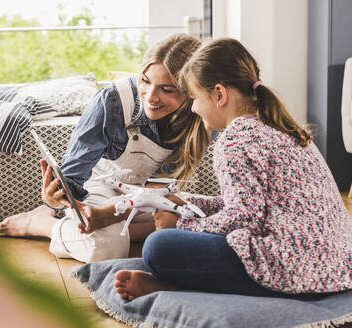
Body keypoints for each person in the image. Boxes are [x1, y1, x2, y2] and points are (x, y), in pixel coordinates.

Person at [114, 38, 352, 300]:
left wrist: (182, 224)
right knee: (185, 233)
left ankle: (179, 286)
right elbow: (249, 204)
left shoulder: (234, 142)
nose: (193, 107)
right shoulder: (281, 127)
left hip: (296, 271)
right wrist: (190, 204)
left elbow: (245, 218)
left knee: (157, 248)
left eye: (194, 98)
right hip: (337, 266)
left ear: (219, 94)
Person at [0, 33, 209, 263]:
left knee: (207, 223)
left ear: (190, 90)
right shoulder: (113, 99)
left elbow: (159, 191)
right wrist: (57, 198)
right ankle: (43, 224)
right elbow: (73, 178)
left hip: (153, 195)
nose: (151, 97)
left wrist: (110, 217)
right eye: (145, 81)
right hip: (102, 187)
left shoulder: (201, 114)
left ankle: (124, 234)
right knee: (104, 250)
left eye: (167, 89)